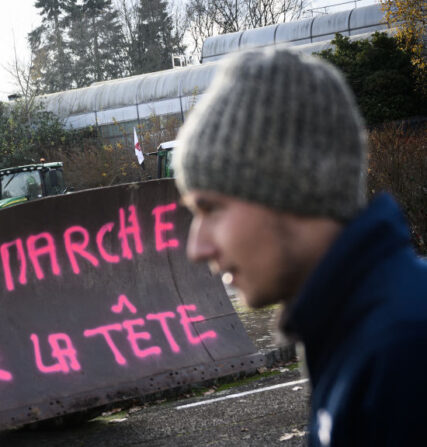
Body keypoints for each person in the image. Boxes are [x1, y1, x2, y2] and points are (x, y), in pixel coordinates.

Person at [172, 48, 427, 446]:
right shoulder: (351, 331)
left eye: (212, 208)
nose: (197, 247)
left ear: (291, 193)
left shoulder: (405, 352)